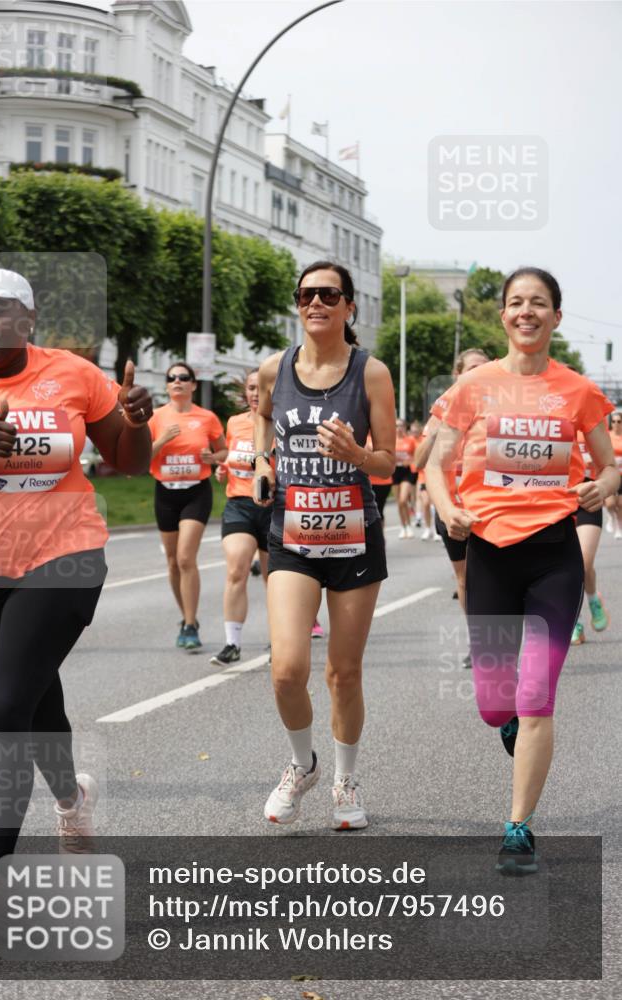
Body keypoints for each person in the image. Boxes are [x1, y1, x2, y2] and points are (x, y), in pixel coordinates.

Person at [0, 267, 152, 935]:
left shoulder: (71, 373)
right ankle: (72, 796)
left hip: (63, 558)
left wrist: (136, 423)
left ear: (29, 320)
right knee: (35, 698)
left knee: (7, 705)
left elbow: (125, 461)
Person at [426, 267, 619, 876]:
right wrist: (448, 506)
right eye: (516, 303)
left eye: (539, 303)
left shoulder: (579, 391)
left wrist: (601, 485)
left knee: (537, 697)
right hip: (489, 551)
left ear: (556, 318)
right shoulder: (475, 386)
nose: (526, 311)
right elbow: (436, 463)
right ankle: (510, 726)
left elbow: (613, 467)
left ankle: (518, 827)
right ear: (503, 316)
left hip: (553, 553)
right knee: (493, 704)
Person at [253, 260, 396, 830]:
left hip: (355, 536)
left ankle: (344, 778)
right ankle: (301, 764)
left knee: (343, 671)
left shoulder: (371, 373)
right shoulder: (273, 368)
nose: (316, 303)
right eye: (307, 294)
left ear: (349, 306)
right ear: (298, 304)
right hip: (292, 535)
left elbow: (388, 460)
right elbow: (263, 421)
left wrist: (357, 455)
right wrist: (264, 463)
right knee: (287, 668)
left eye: (329, 294)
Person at [149, 362, 227, 652]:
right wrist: (163, 440)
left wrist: (213, 458)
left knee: (184, 558)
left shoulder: (206, 417)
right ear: (167, 386)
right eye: (172, 378)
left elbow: (224, 451)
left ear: (193, 385)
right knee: (172, 562)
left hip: (196, 491)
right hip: (165, 492)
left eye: (184, 378)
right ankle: (186, 617)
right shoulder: (156, 418)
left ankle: (191, 625)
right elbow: (142, 456)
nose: (177, 382)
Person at [415, 349, 490, 608]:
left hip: (491, 509)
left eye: (485, 367)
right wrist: (437, 432)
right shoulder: (443, 409)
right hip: (452, 510)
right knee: (466, 578)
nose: (479, 374)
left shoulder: (500, 409)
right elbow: (418, 461)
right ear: (458, 375)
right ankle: (478, 643)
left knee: (498, 580)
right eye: (473, 369)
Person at [211, 369, 272, 665]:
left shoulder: (281, 422)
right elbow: (230, 456)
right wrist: (223, 469)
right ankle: (232, 643)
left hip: (275, 506)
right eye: (250, 388)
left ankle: (280, 640)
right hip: (239, 504)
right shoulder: (234, 422)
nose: (255, 393)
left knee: (275, 579)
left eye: (261, 387)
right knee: (237, 568)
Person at [570, 431, 609, 643]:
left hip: (587, 496)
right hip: (556, 497)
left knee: (583, 563)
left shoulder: (592, 428)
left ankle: (593, 599)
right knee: (565, 566)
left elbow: (608, 465)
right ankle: (574, 619)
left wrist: (605, 488)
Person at [393, 418, 417, 538]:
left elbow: (416, 456)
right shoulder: (391, 440)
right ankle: (403, 527)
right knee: (399, 502)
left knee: (403, 499)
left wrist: (410, 461)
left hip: (407, 472)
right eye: (396, 426)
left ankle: (409, 525)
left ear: (405, 427)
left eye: (401, 425)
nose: (399, 428)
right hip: (394, 471)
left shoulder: (410, 440)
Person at [605, 411, 622, 538]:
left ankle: (619, 526)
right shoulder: (607, 436)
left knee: (620, 504)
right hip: (611, 472)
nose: (616, 424)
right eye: (614, 421)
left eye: (619, 421)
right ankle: (611, 517)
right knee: (610, 504)